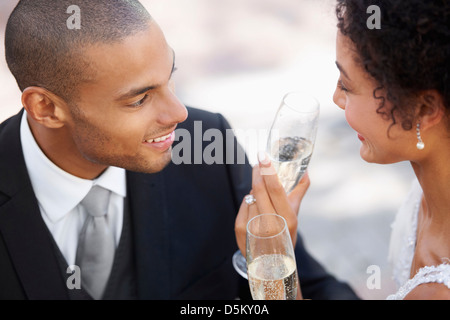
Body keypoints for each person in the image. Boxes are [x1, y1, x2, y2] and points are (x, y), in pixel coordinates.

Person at [0, 0, 359, 300]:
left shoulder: (207, 143)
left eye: (170, 76)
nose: (179, 114)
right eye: (139, 99)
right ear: (46, 108)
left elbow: (318, 290)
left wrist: (274, 263)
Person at [236, 0, 450, 300]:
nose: (336, 98)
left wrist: (271, 262)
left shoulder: (437, 293)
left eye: (347, 85)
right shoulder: (434, 195)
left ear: (424, 110)